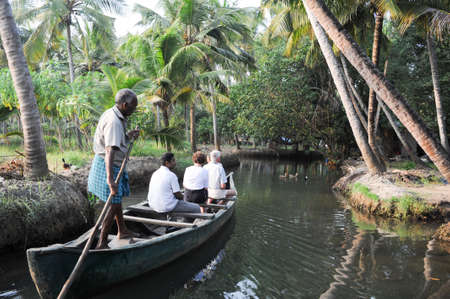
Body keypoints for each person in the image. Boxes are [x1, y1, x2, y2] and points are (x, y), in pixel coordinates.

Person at [87, 88, 140, 249]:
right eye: (132, 106)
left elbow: (115, 140)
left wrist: (128, 135)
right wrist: (110, 179)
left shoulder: (114, 114)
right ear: (124, 105)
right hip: (108, 165)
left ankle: (122, 230)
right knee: (112, 204)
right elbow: (110, 150)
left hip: (109, 163)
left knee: (116, 202)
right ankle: (102, 242)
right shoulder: (114, 121)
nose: (134, 110)